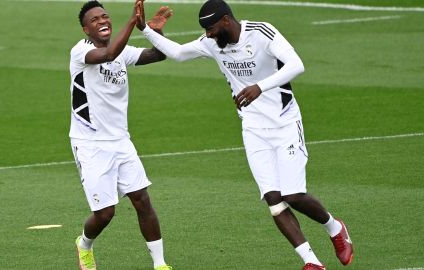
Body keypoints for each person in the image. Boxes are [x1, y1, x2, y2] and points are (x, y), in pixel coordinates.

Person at [136, 1, 353, 269]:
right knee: (274, 200)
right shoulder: (211, 42)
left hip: (285, 123)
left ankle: (334, 227)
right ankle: (311, 262)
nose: (209, 34)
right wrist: (146, 29)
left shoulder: (261, 32)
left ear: (226, 20)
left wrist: (259, 87)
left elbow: (296, 65)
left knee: (294, 195)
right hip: (253, 128)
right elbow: (179, 53)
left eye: (212, 28)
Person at [69, 1, 173, 269]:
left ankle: (160, 265)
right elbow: (107, 55)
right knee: (105, 214)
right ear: (85, 28)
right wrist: (132, 21)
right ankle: (84, 244)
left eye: (105, 16)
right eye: (95, 19)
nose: (102, 21)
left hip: (121, 141)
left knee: (142, 200)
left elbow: (158, 55)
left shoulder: (122, 52)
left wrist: (155, 32)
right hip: (90, 143)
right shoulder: (80, 52)